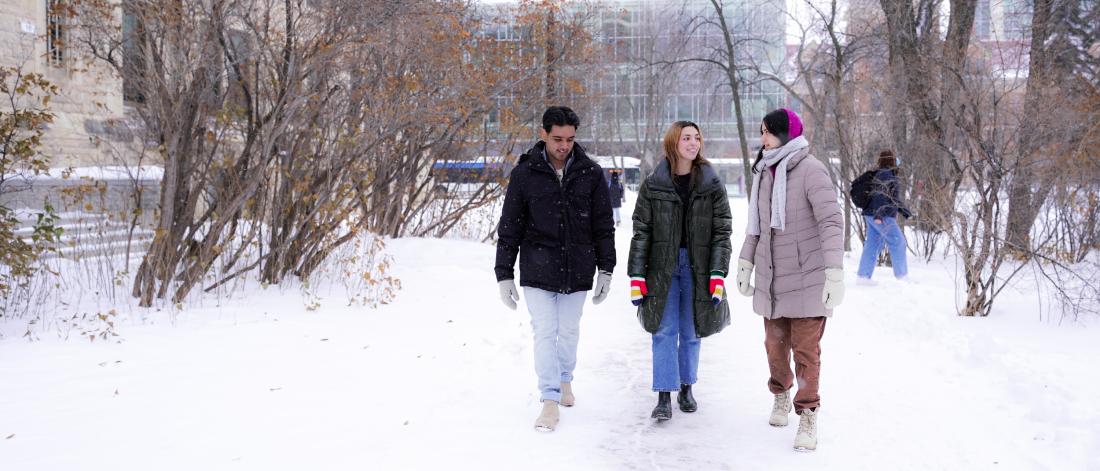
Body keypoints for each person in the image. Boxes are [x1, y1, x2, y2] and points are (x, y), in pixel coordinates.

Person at [494, 106, 616, 433]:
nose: (564, 145)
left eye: (570, 139)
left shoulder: (591, 173)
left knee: (569, 330)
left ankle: (564, 379)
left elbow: (604, 226)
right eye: (558, 138)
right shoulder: (524, 174)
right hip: (537, 266)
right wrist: (504, 273)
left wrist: (606, 268)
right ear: (544, 134)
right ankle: (549, 399)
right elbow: (509, 227)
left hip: (578, 267)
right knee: (545, 331)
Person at [734, 108, 844, 452]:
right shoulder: (765, 171)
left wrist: (834, 272)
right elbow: (757, 225)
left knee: (806, 351)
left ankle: (808, 413)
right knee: (775, 347)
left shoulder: (811, 170)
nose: (763, 139)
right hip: (773, 280)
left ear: (786, 135)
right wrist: (745, 263)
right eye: (762, 131)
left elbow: (830, 221)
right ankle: (780, 394)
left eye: (768, 132)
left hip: (809, 278)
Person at [627, 121, 732, 422]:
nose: (693, 143)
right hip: (662, 267)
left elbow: (722, 231)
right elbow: (642, 231)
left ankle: (686, 388)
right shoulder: (654, 183)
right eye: (686, 137)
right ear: (674, 142)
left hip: (698, 268)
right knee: (663, 329)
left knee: (691, 331)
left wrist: (717, 272)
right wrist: (637, 275)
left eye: (697, 137)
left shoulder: (711, 183)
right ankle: (663, 395)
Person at [856, 150, 911, 282]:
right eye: (894, 158)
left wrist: (906, 213)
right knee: (898, 242)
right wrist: (879, 215)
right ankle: (902, 277)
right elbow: (880, 194)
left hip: (872, 214)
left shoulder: (882, 173)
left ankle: (863, 277)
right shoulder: (886, 174)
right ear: (891, 160)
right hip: (882, 215)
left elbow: (892, 198)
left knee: (873, 245)